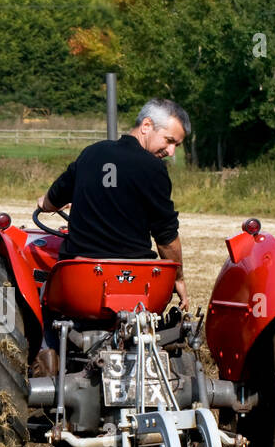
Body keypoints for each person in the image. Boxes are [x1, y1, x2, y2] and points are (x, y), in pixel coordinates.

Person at [32, 99, 191, 376]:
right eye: (169, 141)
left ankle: (47, 357)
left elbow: (51, 200)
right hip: (136, 288)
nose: (171, 151)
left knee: (42, 295)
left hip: (80, 285)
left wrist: (45, 203)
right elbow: (166, 237)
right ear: (146, 126)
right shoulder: (154, 171)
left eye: (176, 144)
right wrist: (177, 277)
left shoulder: (91, 154)